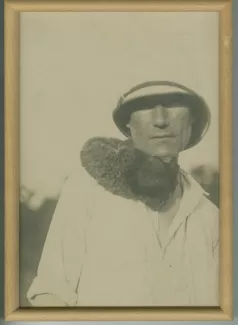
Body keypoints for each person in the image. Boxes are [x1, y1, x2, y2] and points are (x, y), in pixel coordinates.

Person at [27, 81, 219, 307]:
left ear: (193, 118)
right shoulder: (87, 188)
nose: (160, 120)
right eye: (146, 105)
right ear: (128, 122)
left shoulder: (210, 216)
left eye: (174, 103)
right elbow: (51, 293)